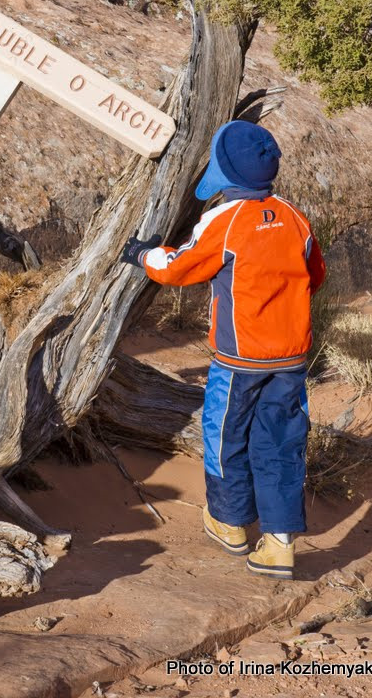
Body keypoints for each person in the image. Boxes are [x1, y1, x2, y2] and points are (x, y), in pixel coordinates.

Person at [121, 120, 326, 579]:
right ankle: (279, 545)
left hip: (238, 359)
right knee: (281, 442)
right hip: (291, 358)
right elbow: (316, 275)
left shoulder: (223, 220)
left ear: (222, 170)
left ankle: (231, 523)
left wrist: (142, 255)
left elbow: (177, 268)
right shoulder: (293, 216)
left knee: (224, 436)